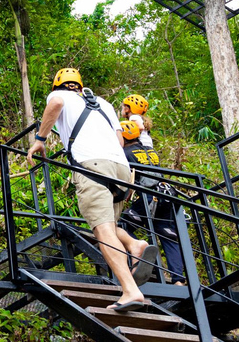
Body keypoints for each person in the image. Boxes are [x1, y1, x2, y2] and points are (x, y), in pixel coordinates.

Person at [27, 68, 158, 312]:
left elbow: (55, 102)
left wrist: (40, 140)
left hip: (91, 166)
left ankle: (130, 291)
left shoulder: (58, 95)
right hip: (121, 170)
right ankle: (135, 244)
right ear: (79, 85)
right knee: (108, 225)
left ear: (58, 84)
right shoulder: (104, 103)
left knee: (102, 231)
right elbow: (120, 141)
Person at [120, 121, 186, 286]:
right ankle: (178, 279)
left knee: (122, 226)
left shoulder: (125, 153)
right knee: (168, 234)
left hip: (148, 197)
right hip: (165, 195)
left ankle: (144, 255)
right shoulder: (150, 151)